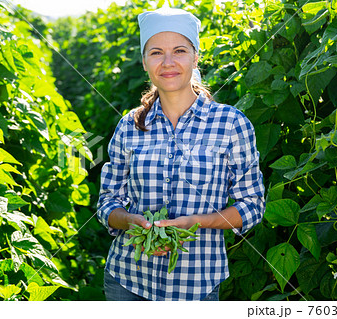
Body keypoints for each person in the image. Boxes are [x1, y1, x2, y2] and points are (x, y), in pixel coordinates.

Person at [97, 7, 265, 301]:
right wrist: (130, 221)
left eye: (179, 51)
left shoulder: (231, 125)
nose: (168, 62)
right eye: (156, 52)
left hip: (195, 285)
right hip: (127, 282)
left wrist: (196, 222)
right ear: (145, 62)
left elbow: (252, 206)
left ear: (195, 56)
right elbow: (107, 203)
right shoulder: (130, 126)